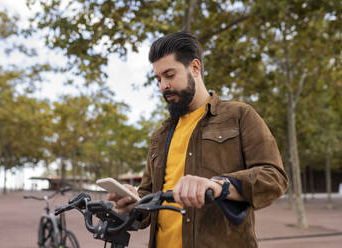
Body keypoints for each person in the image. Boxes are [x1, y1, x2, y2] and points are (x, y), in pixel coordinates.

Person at [108, 32, 288, 248]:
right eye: (158, 79)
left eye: (169, 75)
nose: (163, 86)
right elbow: (148, 198)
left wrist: (220, 186)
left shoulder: (240, 116)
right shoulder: (160, 134)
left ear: (195, 68)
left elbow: (274, 177)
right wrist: (132, 203)